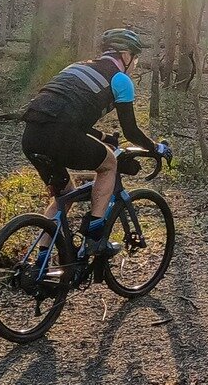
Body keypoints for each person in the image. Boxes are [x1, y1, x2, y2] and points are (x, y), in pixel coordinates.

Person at [20, 29, 170, 259]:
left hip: (32, 135)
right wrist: (156, 147)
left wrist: (103, 138)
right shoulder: (121, 79)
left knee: (64, 195)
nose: (135, 63)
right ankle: (95, 236)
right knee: (109, 164)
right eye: (136, 57)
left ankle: (40, 260)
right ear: (126, 56)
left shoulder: (76, 68)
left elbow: (67, 111)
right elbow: (130, 130)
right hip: (61, 133)